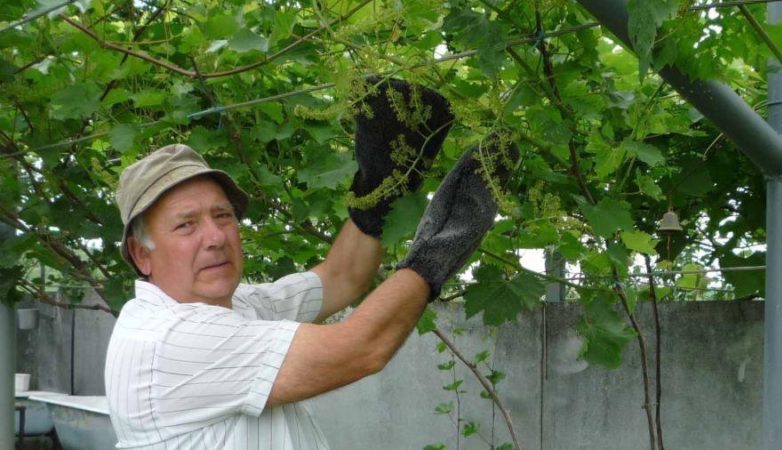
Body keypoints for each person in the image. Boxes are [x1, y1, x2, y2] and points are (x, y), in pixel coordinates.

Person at [104, 78, 519, 449]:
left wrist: (378, 193)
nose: (214, 237)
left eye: (223, 215)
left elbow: (340, 277)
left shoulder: (238, 308)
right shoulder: (169, 342)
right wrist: (441, 247)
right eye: (186, 225)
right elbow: (360, 349)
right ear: (142, 254)